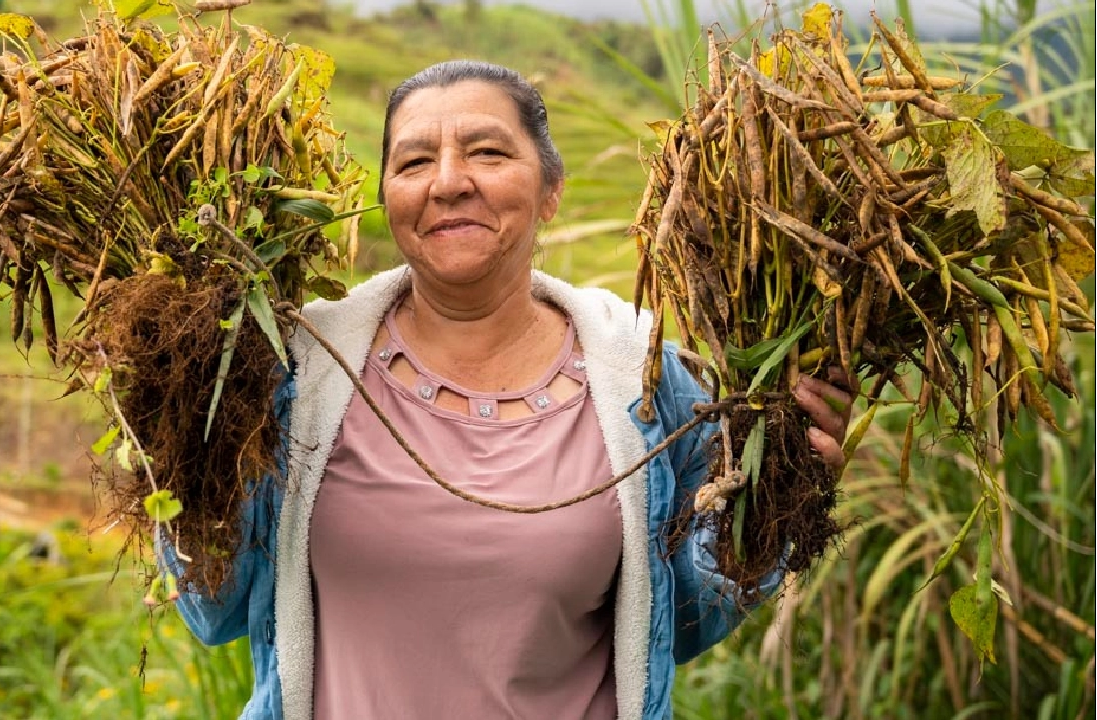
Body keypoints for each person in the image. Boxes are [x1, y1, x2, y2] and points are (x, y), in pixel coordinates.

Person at [167, 60, 854, 720]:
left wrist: (778, 501)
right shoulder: (297, 374)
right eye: (412, 162)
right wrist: (173, 423)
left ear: (551, 189)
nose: (448, 182)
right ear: (387, 198)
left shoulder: (646, 383)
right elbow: (215, 609)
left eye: (488, 153)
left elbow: (678, 620)